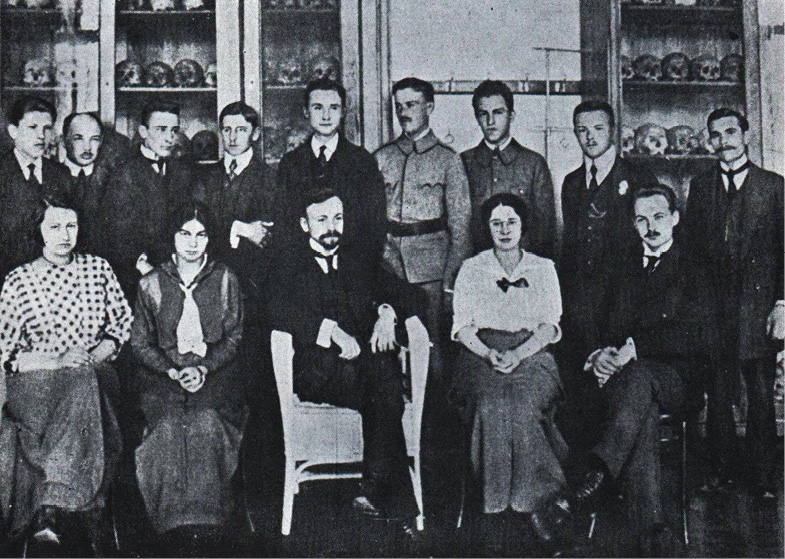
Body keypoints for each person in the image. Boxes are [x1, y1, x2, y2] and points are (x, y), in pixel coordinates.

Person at [540, 184, 716, 556]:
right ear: (632, 224)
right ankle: (651, 532)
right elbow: (590, 317)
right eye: (641, 219)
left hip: (676, 378)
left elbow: (697, 335)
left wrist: (630, 352)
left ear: (675, 218)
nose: (650, 226)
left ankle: (595, 480)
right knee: (642, 410)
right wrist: (597, 354)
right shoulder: (619, 265)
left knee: (638, 381)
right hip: (626, 383)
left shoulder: (695, 267)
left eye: (658, 217)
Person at [267, 188, 424, 539]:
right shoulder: (288, 264)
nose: (331, 227)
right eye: (321, 219)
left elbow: (414, 296)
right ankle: (395, 507)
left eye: (337, 218)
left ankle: (374, 496)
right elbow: (275, 311)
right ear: (304, 224)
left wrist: (388, 312)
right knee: (385, 383)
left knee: (381, 380)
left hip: (361, 372)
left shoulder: (359, 261)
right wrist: (329, 331)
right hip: (315, 371)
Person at [0, 193, 132, 551]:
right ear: (39, 231)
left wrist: (91, 356)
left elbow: (121, 326)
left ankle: (50, 507)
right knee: (82, 386)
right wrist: (58, 362)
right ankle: (91, 506)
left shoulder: (99, 269)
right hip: (37, 384)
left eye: (71, 225)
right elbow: (8, 354)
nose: (65, 235)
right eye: (54, 227)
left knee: (85, 380)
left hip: (94, 372)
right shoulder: (18, 281)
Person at [450, 193, 567, 544]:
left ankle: (535, 504)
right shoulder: (471, 268)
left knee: (521, 403)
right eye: (496, 223)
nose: (504, 230)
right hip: (478, 353)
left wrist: (519, 354)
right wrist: (488, 354)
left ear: (523, 226)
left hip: (533, 353)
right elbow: (461, 328)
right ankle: (494, 510)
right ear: (486, 229)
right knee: (490, 405)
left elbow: (550, 327)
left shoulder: (543, 268)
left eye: (511, 222)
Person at [130, 200, 246, 550]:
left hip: (214, 372)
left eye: (201, 235)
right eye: (184, 234)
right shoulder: (150, 283)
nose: (192, 243)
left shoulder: (225, 279)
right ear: (172, 237)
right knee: (167, 423)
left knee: (205, 419)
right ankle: (170, 523)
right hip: (163, 376)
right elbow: (140, 342)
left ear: (210, 240)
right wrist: (171, 370)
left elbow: (235, 336)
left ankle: (207, 519)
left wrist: (203, 367)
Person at [683, 108, 784, 497]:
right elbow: (691, 252)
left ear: (745, 134)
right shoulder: (701, 186)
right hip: (712, 309)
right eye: (715, 135)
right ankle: (721, 473)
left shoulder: (774, 187)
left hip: (757, 309)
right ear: (708, 141)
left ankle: (763, 480)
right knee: (719, 393)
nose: (723, 140)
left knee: (759, 393)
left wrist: (782, 304)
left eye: (730, 132)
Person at [558, 99, 655, 451]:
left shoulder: (639, 177)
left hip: (625, 302)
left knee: (618, 386)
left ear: (612, 131)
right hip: (583, 308)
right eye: (582, 130)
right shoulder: (571, 183)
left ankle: (613, 480)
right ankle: (587, 480)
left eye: (598, 129)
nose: (590, 136)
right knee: (583, 391)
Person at [374, 76, 471, 388]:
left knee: (432, 356)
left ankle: (432, 431)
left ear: (429, 106)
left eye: (412, 105)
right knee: (386, 352)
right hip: (388, 266)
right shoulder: (382, 157)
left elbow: (460, 226)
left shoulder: (447, 159)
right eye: (399, 106)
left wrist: (450, 283)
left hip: (431, 270)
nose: (404, 112)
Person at [274, 78, 387, 271]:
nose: (326, 115)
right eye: (318, 108)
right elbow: (284, 225)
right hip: (303, 271)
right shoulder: (291, 163)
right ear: (306, 112)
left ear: (343, 112)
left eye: (333, 108)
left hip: (352, 270)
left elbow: (374, 225)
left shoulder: (362, 161)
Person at [99, 100, 195, 301]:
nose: (169, 138)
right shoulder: (123, 173)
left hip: (178, 273)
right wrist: (147, 270)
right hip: (137, 278)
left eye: (174, 130)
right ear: (143, 131)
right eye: (161, 129)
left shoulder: (182, 172)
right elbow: (116, 236)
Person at [461, 80, 556, 258]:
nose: (490, 121)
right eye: (483, 114)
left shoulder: (534, 164)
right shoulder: (463, 163)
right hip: (477, 270)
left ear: (511, 116)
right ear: (477, 118)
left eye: (498, 113)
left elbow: (545, 232)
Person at [0, 96, 71, 284]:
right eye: (33, 128)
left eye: (47, 128)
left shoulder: (61, 175)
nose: (41, 136)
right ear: (13, 131)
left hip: (54, 282)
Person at [62, 112, 110, 253]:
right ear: (64, 140)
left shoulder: (113, 179)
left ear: (101, 142)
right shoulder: (48, 177)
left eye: (94, 139)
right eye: (79, 139)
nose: (87, 147)